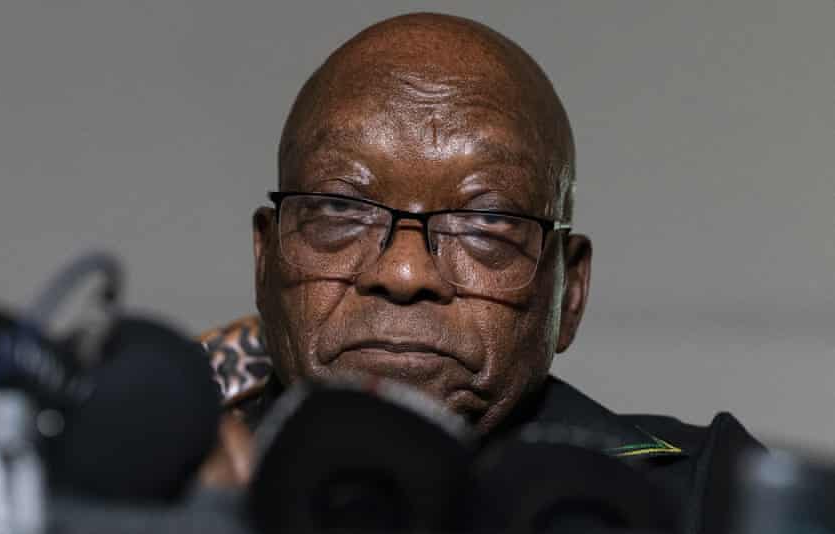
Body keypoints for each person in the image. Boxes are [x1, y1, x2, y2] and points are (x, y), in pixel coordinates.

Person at [197, 12, 762, 529]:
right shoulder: (169, 484)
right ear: (265, 260)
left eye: (487, 220)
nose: (404, 271)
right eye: (341, 208)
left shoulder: (709, 502)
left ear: (570, 292)